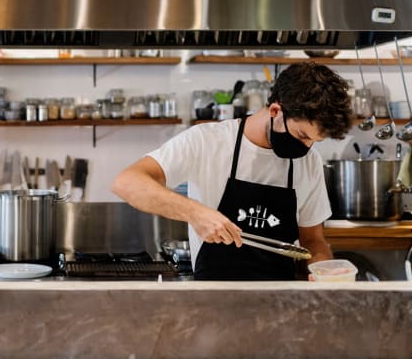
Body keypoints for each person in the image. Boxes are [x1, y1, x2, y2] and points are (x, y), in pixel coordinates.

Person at [112, 62, 353, 280]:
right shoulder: (207, 141)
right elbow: (127, 182)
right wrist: (195, 213)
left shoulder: (308, 161)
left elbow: (313, 240)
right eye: (301, 135)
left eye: (314, 141)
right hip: (213, 304)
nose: (307, 147)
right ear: (275, 112)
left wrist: (324, 272)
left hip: (279, 305)